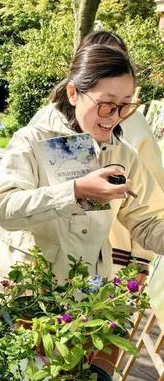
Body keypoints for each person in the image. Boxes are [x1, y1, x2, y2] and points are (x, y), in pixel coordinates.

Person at [27, 31, 164, 278]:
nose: (114, 115)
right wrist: (77, 190)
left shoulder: (131, 130)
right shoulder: (45, 126)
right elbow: (11, 201)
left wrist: (141, 260)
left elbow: (150, 208)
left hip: (109, 256)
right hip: (40, 265)